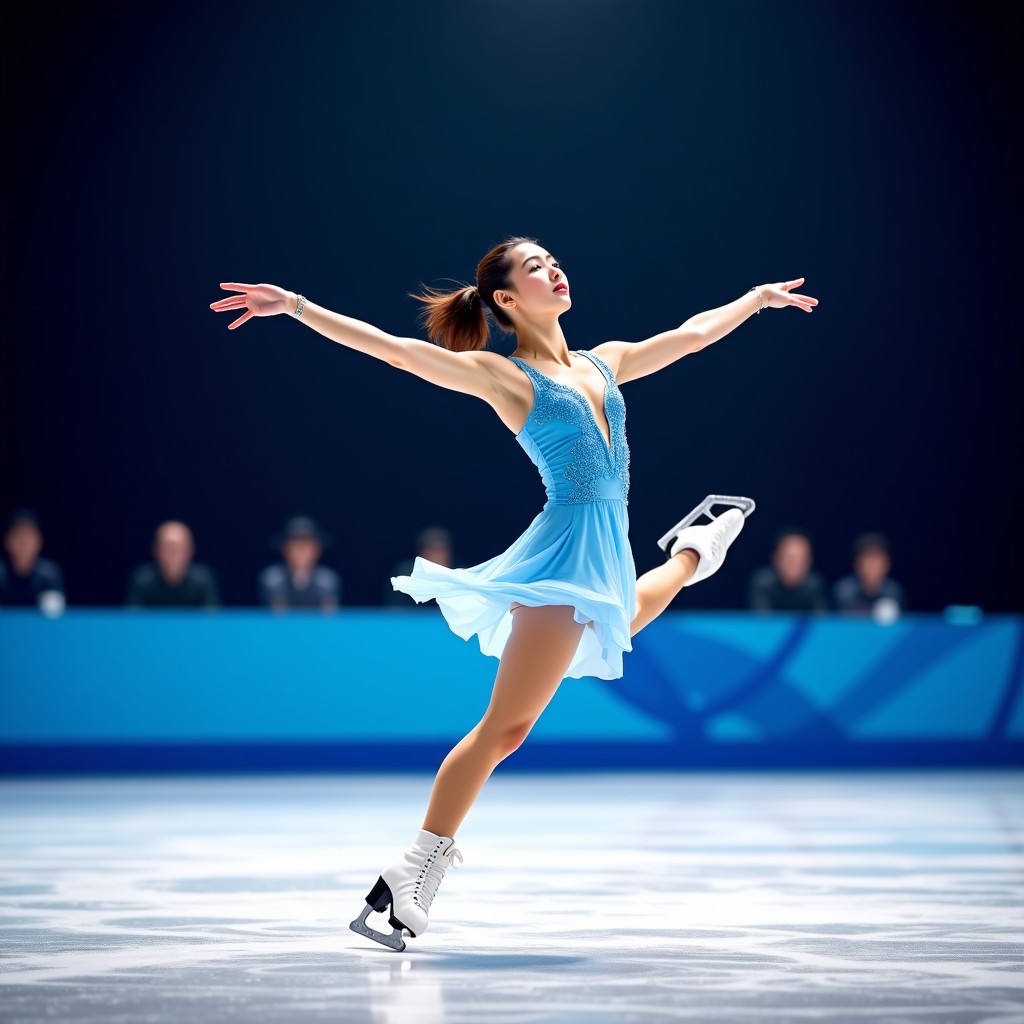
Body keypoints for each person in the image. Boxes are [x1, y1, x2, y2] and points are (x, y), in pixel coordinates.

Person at [210, 235, 817, 950]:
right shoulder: (508, 379)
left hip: (605, 547)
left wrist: (754, 300)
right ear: (505, 299)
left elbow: (686, 338)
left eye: (553, 259)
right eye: (534, 266)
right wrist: (299, 307)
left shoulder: (605, 361)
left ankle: (692, 551)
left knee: (599, 640)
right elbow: (398, 352)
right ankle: (416, 865)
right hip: (564, 549)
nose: (553, 268)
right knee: (505, 727)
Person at [125, 520, 220, 608]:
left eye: (178, 547)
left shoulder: (203, 580)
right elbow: (132, 620)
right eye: (168, 547)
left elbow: (211, 621)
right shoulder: (142, 580)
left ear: (190, 550)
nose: (173, 553)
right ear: (156, 550)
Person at [259, 515, 341, 611]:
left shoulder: (328, 581)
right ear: (285, 550)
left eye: (306, 547)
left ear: (317, 551)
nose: (301, 553)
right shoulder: (272, 580)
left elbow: (329, 617)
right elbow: (276, 618)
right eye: (296, 547)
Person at [748, 528, 829, 612]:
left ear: (809, 561)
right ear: (777, 558)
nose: (795, 564)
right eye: (790, 558)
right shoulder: (763, 584)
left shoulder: (815, 585)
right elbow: (761, 622)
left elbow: (820, 621)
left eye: (801, 559)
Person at [0, 508, 66, 611]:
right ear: (7, 541)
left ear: (39, 542)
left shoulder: (49, 576)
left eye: (29, 537)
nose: (24, 543)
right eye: (19, 536)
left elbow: (55, 614)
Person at [832, 530, 906, 619]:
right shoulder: (843, 593)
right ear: (857, 564)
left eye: (877, 561)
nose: (873, 566)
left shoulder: (894, 593)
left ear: (887, 564)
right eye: (868, 560)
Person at [387, 526, 454, 607]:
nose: (438, 557)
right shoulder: (405, 575)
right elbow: (395, 610)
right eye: (433, 551)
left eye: (441, 551)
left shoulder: (460, 575)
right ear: (422, 554)